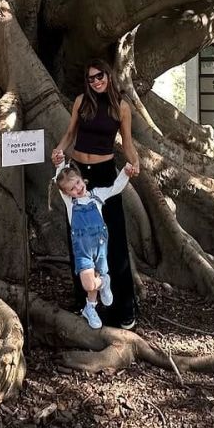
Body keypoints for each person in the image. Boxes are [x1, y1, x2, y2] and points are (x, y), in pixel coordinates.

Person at [51, 60, 141, 328]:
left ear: (108, 75)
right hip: (78, 173)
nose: (96, 82)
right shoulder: (82, 101)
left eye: (99, 76)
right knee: (78, 237)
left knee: (113, 235)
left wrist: (134, 163)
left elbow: (127, 142)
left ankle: (124, 308)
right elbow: (70, 133)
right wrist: (59, 150)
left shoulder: (121, 107)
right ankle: (85, 303)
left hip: (104, 173)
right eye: (90, 79)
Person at [53, 160, 133, 329]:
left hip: (100, 247)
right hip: (82, 250)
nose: (77, 188)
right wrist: (59, 163)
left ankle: (90, 308)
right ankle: (104, 282)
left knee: (92, 283)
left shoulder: (96, 195)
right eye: (72, 189)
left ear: (82, 179)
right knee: (89, 284)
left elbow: (115, 188)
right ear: (68, 193)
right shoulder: (71, 204)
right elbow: (60, 179)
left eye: (78, 183)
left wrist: (125, 172)